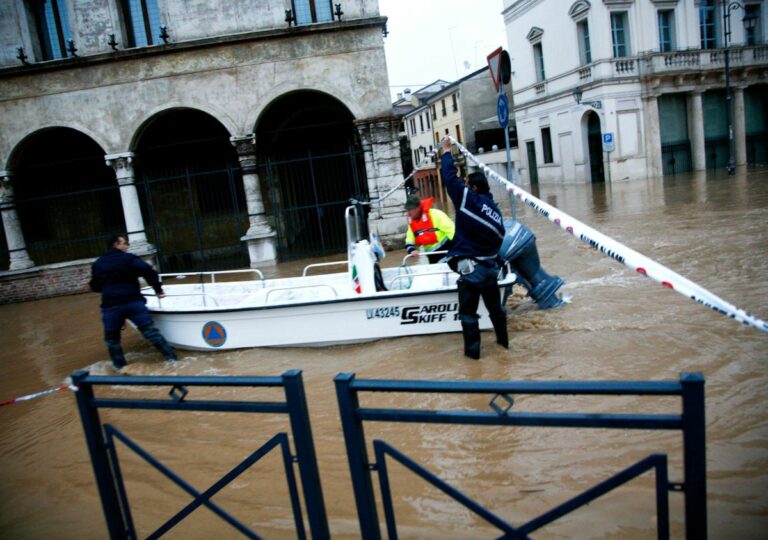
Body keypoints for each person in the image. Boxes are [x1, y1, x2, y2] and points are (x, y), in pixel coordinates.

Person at [440, 139, 508, 359]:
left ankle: (473, 361)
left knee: (468, 315)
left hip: (472, 271)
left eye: (467, 183)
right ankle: (504, 347)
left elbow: (450, 180)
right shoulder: (494, 209)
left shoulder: (471, 200)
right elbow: (500, 239)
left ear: (474, 187)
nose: (465, 187)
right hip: (490, 268)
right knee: (496, 312)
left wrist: (446, 153)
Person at [90, 235, 177, 370]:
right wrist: (158, 289)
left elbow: (95, 286)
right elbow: (149, 272)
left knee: (112, 340)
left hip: (111, 306)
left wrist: (109, 287)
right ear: (116, 244)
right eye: (125, 243)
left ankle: (120, 370)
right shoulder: (129, 259)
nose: (127, 246)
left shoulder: (99, 263)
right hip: (133, 303)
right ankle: (173, 361)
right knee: (151, 333)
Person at [404, 194, 455, 264]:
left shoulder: (436, 215)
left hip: (446, 250)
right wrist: (411, 249)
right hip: (431, 255)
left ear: (418, 208)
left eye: (410, 209)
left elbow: (452, 231)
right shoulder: (412, 223)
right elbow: (409, 238)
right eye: (408, 210)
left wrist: (458, 247)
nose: (408, 213)